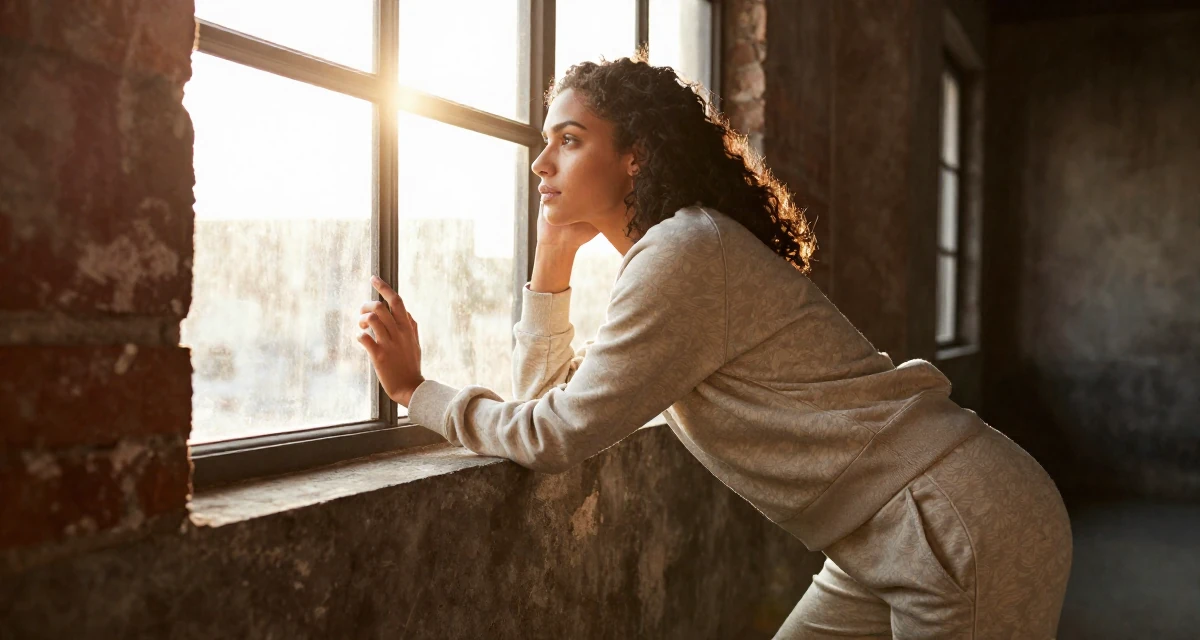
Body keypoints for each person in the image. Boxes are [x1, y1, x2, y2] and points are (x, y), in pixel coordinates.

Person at [356, 54, 1072, 638]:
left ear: (635, 156)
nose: (541, 163)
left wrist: (416, 391)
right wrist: (552, 258)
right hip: (882, 538)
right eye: (546, 142)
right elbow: (546, 401)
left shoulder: (684, 253)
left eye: (569, 140)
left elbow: (555, 434)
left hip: (952, 521)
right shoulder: (674, 259)